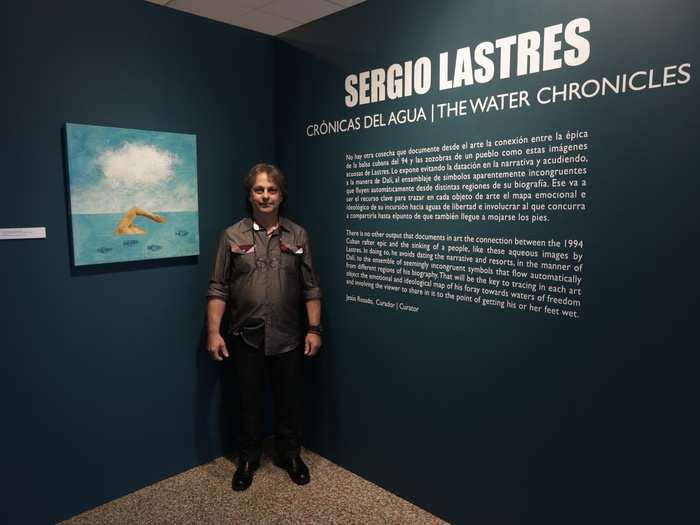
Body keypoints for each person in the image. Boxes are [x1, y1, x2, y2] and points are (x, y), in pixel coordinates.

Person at [206, 163, 323, 491]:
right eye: (259, 190)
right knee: (248, 401)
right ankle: (248, 458)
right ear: (250, 194)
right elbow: (218, 287)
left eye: (271, 190)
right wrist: (214, 332)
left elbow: (311, 286)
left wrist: (315, 329)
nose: (265, 196)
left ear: (282, 195)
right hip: (246, 335)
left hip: (288, 334)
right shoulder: (232, 235)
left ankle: (290, 454)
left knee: (289, 400)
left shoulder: (298, 235)